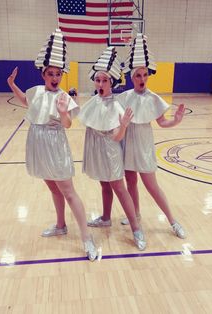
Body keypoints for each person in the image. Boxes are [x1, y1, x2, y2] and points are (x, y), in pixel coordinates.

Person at [7, 29, 97, 261]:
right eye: (51, 74)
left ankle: (87, 238)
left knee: (68, 191)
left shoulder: (64, 97)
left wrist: (64, 112)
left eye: (58, 74)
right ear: (43, 74)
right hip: (37, 142)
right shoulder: (36, 91)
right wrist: (11, 84)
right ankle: (60, 224)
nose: (55, 78)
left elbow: (67, 124)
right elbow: (26, 101)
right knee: (52, 188)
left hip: (55, 144)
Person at [87, 33, 186, 239]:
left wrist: (175, 120)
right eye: (138, 75)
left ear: (148, 76)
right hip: (125, 145)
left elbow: (162, 122)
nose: (142, 79)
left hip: (143, 146)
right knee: (130, 183)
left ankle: (173, 221)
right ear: (132, 78)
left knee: (152, 186)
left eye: (145, 75)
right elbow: (106, 103)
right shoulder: (123, 97)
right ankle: (136, 214)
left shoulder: (153, 98)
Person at [78, 46, 146, 250]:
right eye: (97, 80)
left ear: (112, 82)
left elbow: (117, 137)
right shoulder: (92, 103)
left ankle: (136, 228)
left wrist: (124, 125)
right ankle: (106, 217)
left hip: (111, 150)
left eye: (104, 80)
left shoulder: (116, 106)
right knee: (104, 185)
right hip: (97, 149)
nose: (100, 83)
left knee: (119, 187)